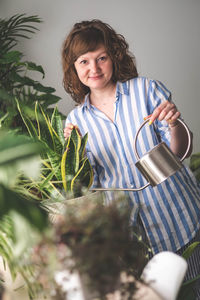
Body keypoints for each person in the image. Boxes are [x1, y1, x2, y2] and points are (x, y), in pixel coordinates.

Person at [62, 19, 200, 298]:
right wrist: (72, 154)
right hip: (132, 240)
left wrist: (174, 124)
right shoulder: (76, 121)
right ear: (74, 68)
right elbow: (88, 187)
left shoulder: (146, 90)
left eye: (101, 58)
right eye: (84, 62)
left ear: (114, 56)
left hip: (180, 219)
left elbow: (180, 151)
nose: (94, 69)